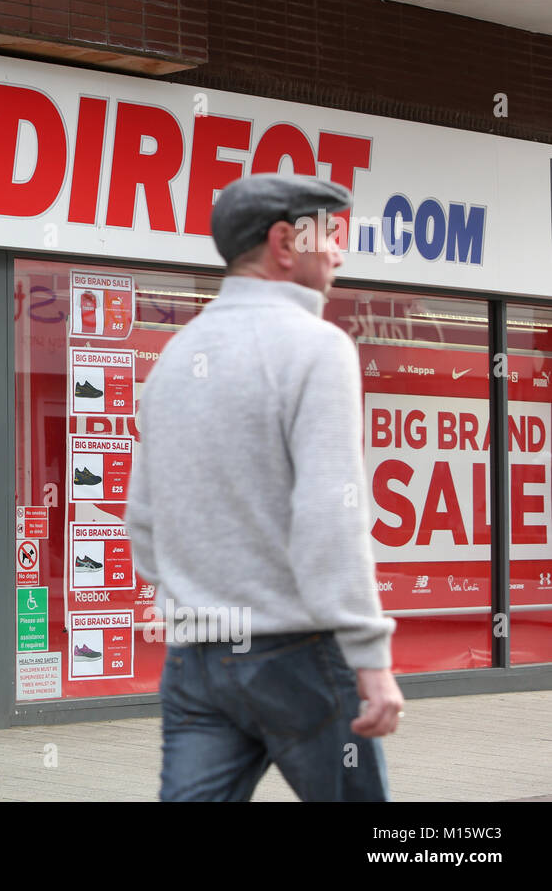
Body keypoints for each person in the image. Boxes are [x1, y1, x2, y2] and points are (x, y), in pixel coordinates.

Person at [126, 173, 404, 801]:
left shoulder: (175, 354)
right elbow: (330, 517)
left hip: (194, 659)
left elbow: (143, 516)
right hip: (297, 654)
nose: (339, 251)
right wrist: (372, 660)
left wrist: (191, 593)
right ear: (284, 241)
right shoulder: (318, 348)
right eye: (330, 235)